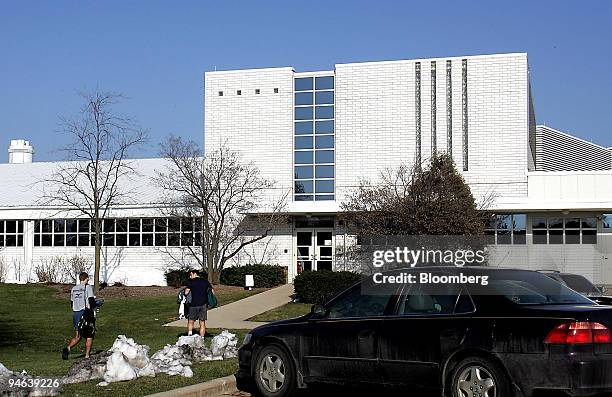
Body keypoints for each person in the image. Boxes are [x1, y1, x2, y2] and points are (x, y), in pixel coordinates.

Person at [62, 272, 96, 359]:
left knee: (78, 336)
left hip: (76, 314)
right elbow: (91, 300)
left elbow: (71, 302)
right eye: (88, 278)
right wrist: (95, 307)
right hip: (85, 313)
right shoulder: (88, 287)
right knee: (89, 335)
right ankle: (87, 355)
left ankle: (68, 348)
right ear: (86, 278)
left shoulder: (74, 289)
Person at [183, 269, 213, 337]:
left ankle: (190, 335)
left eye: (191, 275)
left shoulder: (191, 282)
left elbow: (186, 293)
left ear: (195, 274)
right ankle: (202, 338)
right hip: (203, 304)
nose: (190, 277)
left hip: (193, 304)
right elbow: (211, 291)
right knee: (202, 322)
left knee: (191, 321)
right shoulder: (205, 281)